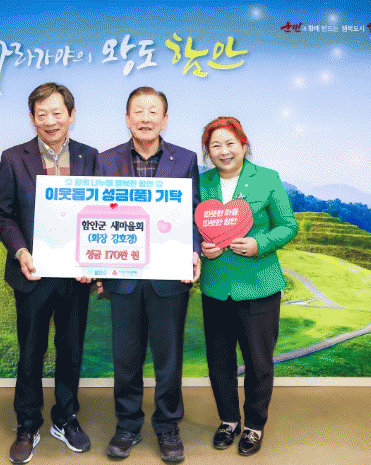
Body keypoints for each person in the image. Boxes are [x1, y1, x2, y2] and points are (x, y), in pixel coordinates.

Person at [0, 82, 99, 464]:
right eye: (42, 114)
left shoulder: (90, 157)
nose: (50, 121)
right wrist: (21, 251)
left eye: (57, 113)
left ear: (71, 115)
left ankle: (66, 418)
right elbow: (4, 214)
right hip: (33, 273)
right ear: (32, 118)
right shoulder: (13, 158)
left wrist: (92, 261)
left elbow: (101, 212)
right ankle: (27, 423)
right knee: (31, 351)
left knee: (71, 349)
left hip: (75, 275)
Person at [97, 86, 201, 463]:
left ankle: (168, 426)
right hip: (122, 275)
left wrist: (193, 249)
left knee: (168, 358)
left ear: (165, 119)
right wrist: (94, 264)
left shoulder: (185, 159)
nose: (145, 118)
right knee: (126, 358)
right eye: (137, 111)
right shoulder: (105, 160)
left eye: (153, 111)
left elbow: (193, 211)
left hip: (168, 275)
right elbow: (96, 213)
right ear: (127, 119)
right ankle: (127, 425)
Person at [198, 116, 298, 456]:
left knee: (258, 361)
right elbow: (191, 227)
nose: (224, 151)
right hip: (216, 287)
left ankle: (254, 425)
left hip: (259, 286)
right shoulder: (201, 183)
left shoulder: (267, 178)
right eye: (215, 146)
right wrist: (201, 246)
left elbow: (288, 225)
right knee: (219, 361)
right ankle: (228, 420)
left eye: (230, 143)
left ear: (243, 145)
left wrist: (260, 244)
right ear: (208, 152)